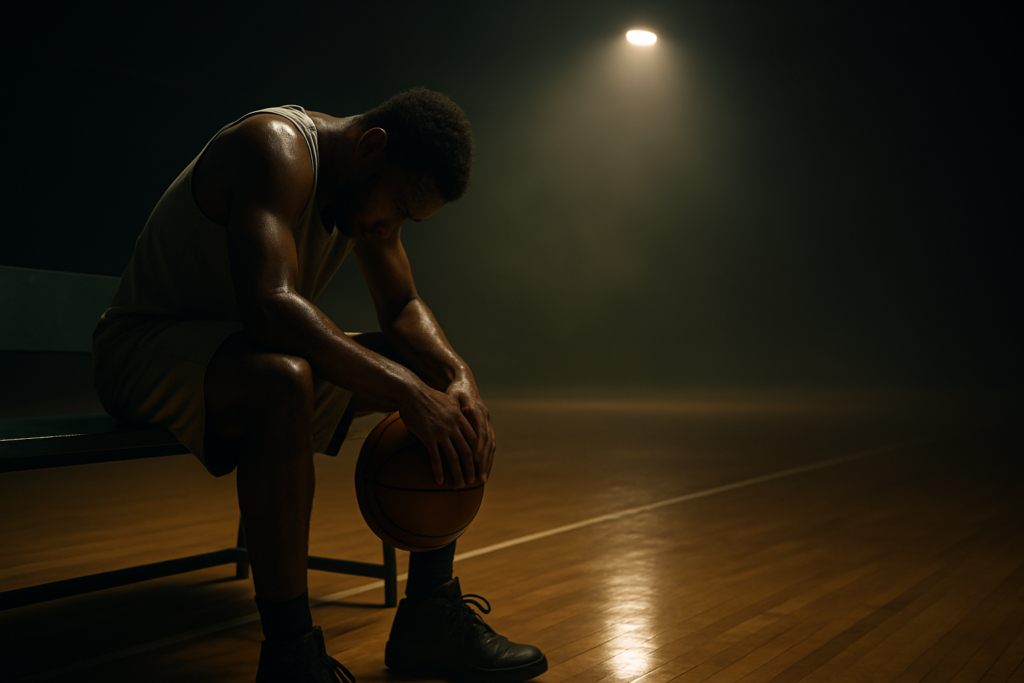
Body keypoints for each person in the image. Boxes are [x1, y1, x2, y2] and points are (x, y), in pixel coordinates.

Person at [92, 89, 547, 683]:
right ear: (372, 145)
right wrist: (408, 394)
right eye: (400, 210)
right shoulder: (274, 149)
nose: (391, 227)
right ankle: (290, 656)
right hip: (142, 354)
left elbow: (403, 304)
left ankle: (429, 616)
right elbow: (271, 308)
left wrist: (456, 380)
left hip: (242, 360)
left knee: (430, 377)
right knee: (286, 380)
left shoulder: (364, 185)